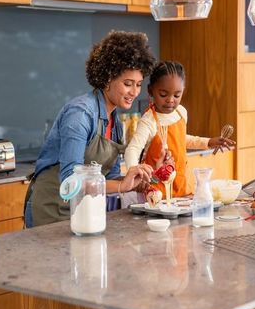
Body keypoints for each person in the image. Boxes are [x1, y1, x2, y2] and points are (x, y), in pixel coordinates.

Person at [24, 30, 156, 227]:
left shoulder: (115, 122)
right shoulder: (80, 114)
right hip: (52, 210)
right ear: (107, 78)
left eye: (138, 84)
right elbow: (70, 180)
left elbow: (107, 179)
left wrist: (133, 182)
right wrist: (121, 185)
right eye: (128, 84)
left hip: (84, 212)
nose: (134, 92)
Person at [124, 60, 235, 197]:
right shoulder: (148, 121)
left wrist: (208, 142)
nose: (171, 100)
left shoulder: (181, 112)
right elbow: (133, 149)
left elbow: (181, 139)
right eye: (164, 94)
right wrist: (135, 172)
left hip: (181, 183)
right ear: (150, 90)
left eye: (177, 95)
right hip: (155, 189)